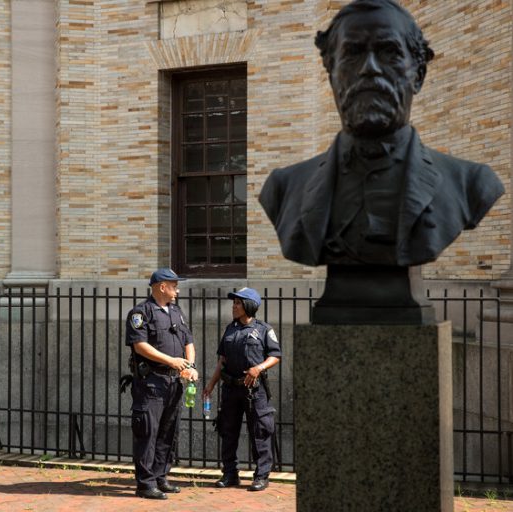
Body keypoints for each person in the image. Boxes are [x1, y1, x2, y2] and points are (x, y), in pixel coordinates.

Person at [259, 0, 503, 268]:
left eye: (389, 52)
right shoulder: (284, 187)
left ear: (418, 76)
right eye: (353, 53)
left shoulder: (471, 183)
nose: (369, 68)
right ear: (331, 77)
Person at [125, 268, 198, 500]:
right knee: (148, 431)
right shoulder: (141, 313)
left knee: (168, 432)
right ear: (161, 287)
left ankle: (160, 476)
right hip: (152, 382)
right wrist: (171, 361)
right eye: (174, 285)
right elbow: (140, 346)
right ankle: (145, 484)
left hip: (174, 381)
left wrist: (189, 366)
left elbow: (188, 340)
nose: (177, 290)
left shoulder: (176, 311)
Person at [203, 288, 281, 492]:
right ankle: (230, 474)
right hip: (230, 389)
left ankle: (261, 476)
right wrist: (211, 384)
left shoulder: (264, 330)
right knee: (228, 432)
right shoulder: (230, 329)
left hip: (254, 391)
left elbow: (275, 356)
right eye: (234, 303)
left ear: (249, 306)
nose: (234, 306)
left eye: (238, 303)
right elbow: (222, 360)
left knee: (260, 432)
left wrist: (259, 368)